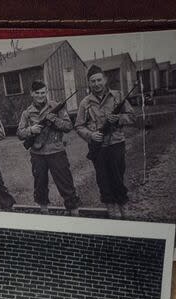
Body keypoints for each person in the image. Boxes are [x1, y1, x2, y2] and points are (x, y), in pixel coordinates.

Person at [75, 65, 135, 218]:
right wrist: (90, 135)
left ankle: (123, 205)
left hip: (116, 143)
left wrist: (119, 119)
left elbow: (132, 116)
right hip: (98, 147)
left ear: (105, 79)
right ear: (89, 83)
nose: (96, 84)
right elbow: (78, 126)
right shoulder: (85, 103)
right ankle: (111, 208)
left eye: (99, 80)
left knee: (118, 176)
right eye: (93, 81)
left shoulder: (117, 96)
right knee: (103, 179)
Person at [17, 81, 81, 216]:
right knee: (40, 183)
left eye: (43, 92)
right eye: (37, 93)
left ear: (46, 92)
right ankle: (44, 210)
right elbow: (20, 133)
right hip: (37, 154)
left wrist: (55, 120)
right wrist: (31, 130)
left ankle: (74, 210)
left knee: (65, 182)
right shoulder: (27, 113)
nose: (41, 96)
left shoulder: (56, 107)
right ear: (32, 94)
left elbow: (69, 126)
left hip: (56, 151)